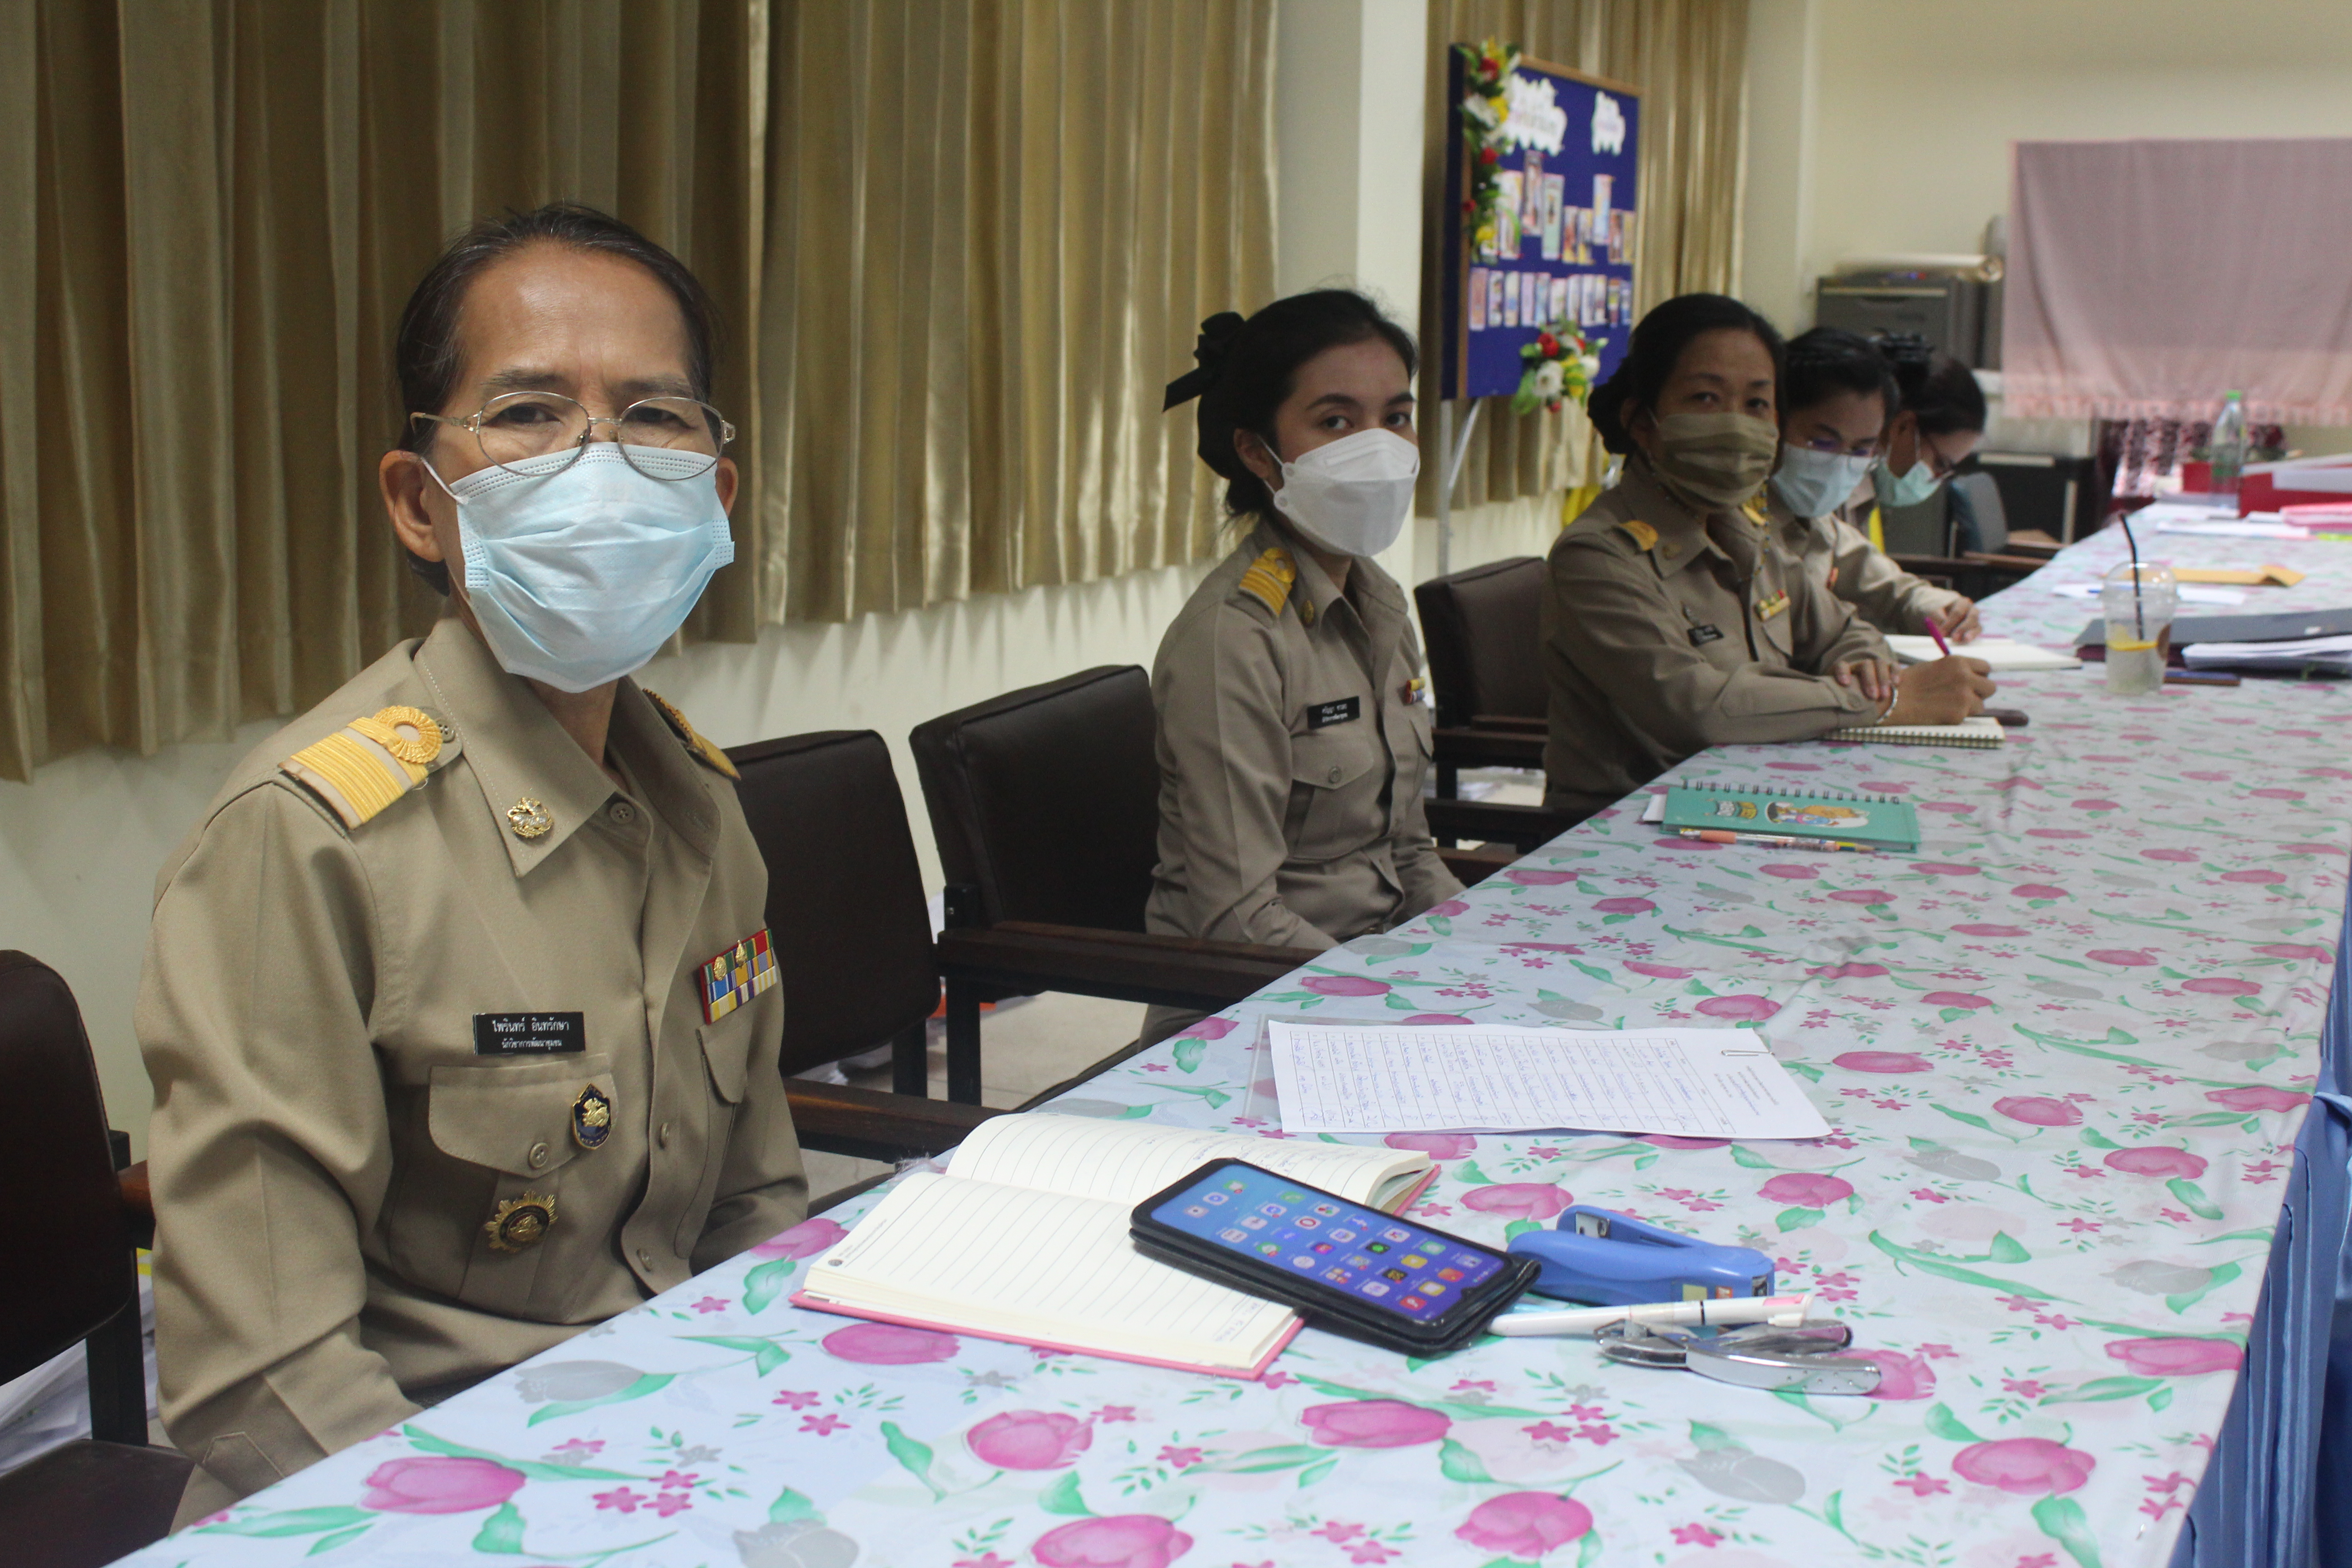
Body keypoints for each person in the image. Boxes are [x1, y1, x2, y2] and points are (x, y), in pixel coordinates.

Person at [137, 204, 806, 1521]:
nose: (597, 461)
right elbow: (263, 1381)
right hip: (418, 1493)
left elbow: (753, 1208)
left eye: (656, 417)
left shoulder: (697, 801)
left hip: (673, 1446)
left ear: (716, 498)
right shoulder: (309, 839)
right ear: (420, 503)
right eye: (530, 414)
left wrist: (774, 1423)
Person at [1539, 294, 1993, 820]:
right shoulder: (1597, 555)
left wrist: (1866, 667)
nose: (1737, 425)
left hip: (1750, 808)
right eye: (1707, 398)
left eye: (1757, 404)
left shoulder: (1745, 529)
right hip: (1624, 834)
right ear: (1643, 421)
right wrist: (1885, 702)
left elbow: (1842, 629)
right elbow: (1700, 708)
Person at [1144, 292, 1461, 1039]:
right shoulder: (1235, 639)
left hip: (1373, 980)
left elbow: (1406, 851)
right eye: (1335, 422)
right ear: (1259, 453)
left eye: (1396, 416)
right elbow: (1238, 918)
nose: (1379, 447)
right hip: (1256, 1012)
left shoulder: (1377, 602)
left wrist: (1476, 955)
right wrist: (1393, 1007)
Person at [1768, 327, 1980, 641]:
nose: (1842, 463)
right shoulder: (1738, 513)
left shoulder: (1814, 515)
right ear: (1774, 420)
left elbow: (1871, 574)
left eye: (1861, 449)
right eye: (1823, 442)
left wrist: (1932, 604)